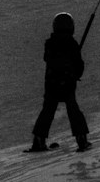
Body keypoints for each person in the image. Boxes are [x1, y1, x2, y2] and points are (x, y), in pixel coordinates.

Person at [29, 12, 91, 152]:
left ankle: (39, 139)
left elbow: (47, 59)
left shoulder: (50, 44)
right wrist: (75, 73)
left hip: (51, 85)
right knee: (73, 110)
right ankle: (81, 138)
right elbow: (79, 66)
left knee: (48, 110)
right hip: (68, 84)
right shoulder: (72, 44)